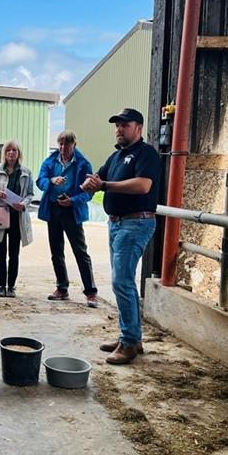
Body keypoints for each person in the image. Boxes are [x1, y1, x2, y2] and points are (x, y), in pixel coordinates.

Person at [80, 108, 160, 365]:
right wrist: (89, 184)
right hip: (116, 223)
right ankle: (132, 338)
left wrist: (104, 185)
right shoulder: (116, 157)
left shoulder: (146, 153)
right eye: (117, 125)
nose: (119, 129)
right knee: (124, 282)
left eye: (125, 125)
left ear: (139, 128)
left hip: (136, 222)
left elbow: (143, 185)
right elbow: (97, 178)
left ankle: (129, 343)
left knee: (121, 282)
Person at [37, 131, 99, 308]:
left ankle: (91, 292)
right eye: (61, 144)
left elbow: (89, 192)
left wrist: (72, 201)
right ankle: (62, 288)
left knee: (80, 251)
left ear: (74, 144)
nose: (63, 148)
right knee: (56, 251)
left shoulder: (83, 164)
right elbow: (40, 181)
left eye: (67, 144)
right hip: (53, 209)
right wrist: (51, 181)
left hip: (72, 211)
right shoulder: (50, 161)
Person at [0, 140, 34, 298]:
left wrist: (23, 204)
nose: (11, 153)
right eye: (8, 150)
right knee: (0, 253)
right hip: (0, 215)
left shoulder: (26, 172)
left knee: (14, 254)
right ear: (4, 153)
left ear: (19, 154)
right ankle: (1, 286)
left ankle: (11, 286)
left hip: (17, 217)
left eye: (14, 150)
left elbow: (30, 194)